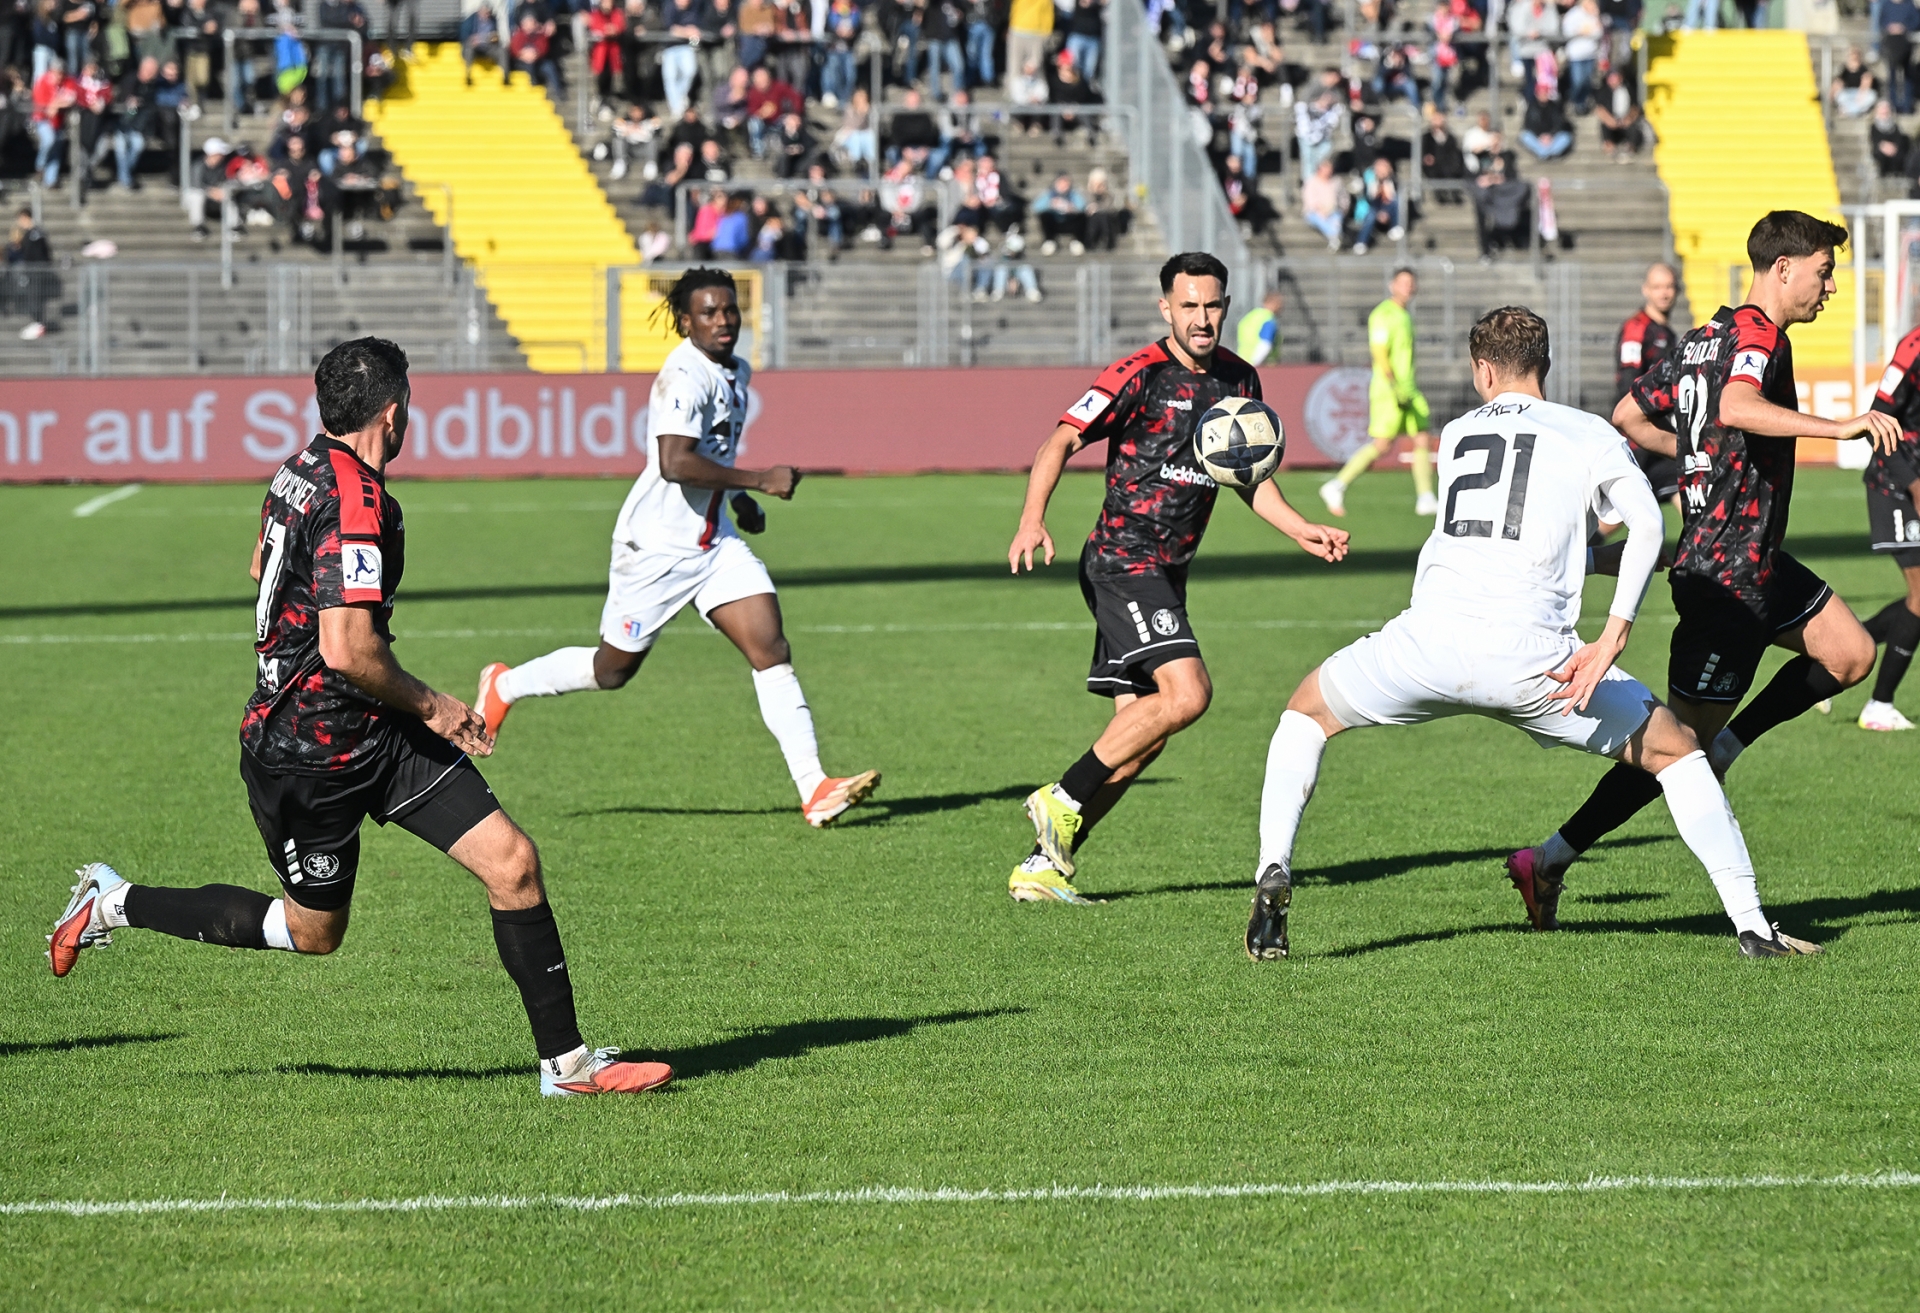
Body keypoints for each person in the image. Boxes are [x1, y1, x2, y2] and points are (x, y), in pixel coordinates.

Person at [45, 339, 673, 1099]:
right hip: (306, 754)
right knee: (315, 933)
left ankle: (567, 1067)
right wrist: (438, 706)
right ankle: (115, 900)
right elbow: (347, 651)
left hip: (373, 732)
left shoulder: (301, 466)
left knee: (512, 863)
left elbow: (260, 565)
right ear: (394, 410)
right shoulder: (357, 498)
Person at [1246, 307, 1827, 963]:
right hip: (1538, 663)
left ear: (1482, 370)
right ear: (1544, 364)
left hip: (1425, 646)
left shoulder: (1459, 432)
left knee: (1305, 712)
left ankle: (1275, 868)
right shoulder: (1587, 432)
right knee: (1680, 753)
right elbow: (1647, 527)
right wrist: (1612, 634)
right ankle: (1752, 926)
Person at [1507, 212, 1903, 917]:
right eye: (1823, 270)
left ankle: (1731, 739)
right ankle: (1550, 856)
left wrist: (1698, 450)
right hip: (1723, 575)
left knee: (1849, 652)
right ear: (1783, 269)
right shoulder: (1757, 336)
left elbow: (1630, 412)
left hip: (1759, 560)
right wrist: (1836, 427)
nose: (1831, 286)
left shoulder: (1703, 337)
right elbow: (1736, 403)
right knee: (1675, 752)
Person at [475, 270, 882, 829]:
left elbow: (714, 448)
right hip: (656, 549)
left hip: (713, 546)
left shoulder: (736, 369)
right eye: (709, 313)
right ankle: (504, 685)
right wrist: (760, 479)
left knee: (769, 644)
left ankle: (814, 788)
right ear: (685, 322)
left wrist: (738, 498)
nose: (723, 321)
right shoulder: (683, 376)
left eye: (729, 310)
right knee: (612, 670)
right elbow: (674, 462)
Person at [1002, 252, 1349, 903]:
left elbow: (1249, 479)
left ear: (1226, 305)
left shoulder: (1240, 380)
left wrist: (1302, 527)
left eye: (1212, 304)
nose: (1201, 317)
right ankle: (1062, 796)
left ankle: (1043, 864)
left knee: (1145, 732)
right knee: (1188, 694)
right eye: (1188, 305)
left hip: (1167, 571)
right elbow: (1060, 440)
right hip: (1122, 560)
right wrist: (1031, 518)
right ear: (1166, 307)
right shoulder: (1138, 374)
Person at [1321, 267, 1436, 518]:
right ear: (1392, 285)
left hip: (1408, 388)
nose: (1408, 287)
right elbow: (1380, 352)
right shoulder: (1383, 314)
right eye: (1403, 283)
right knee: (1383, 445)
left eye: (1411, 283)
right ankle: (1337, 485)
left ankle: (1426, 497)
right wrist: (1394, 385)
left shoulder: (1404, 315)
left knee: (1422, 438)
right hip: (1389, 389)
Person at [1855, 322, 1920, 730]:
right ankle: (1879, 705)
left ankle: (1843, 646)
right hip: (1894, 482)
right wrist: (1914, 483)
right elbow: (1876, 421)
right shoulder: (1913, 348)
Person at [1614, 261, 1682, 511]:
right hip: (1637, 436)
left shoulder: (1667, 333)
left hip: (1658, 432)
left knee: (1686, 491)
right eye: (1657, 287)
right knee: (1616, 511)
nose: (1664, 293)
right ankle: (1582, 548)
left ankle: (1703, 550)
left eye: (1669, 287)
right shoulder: (1637, 329)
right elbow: (1628, 385)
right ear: (1646, 290)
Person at [5, 206, 52, 339]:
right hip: (33, 270)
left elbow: (41, 253)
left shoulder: (36, 233)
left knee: (35, 296)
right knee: (32, 296)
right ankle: (37, 322)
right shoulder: (29, 234)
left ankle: (39, 323)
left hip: (37, 271)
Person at [1595, 69, 1643, 161]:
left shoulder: (1629, 89)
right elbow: (1600, 109)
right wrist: (1611, 121)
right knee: (1604, 126)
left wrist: (1628, 119)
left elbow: (1635, 107)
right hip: (1612, 120)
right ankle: (1609, 146)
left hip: (1626, 120)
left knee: (1634, 127)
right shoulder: (1603, 92)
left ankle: (1631, 147)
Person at [1300, 156, 1345, 248]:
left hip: (1334, 209)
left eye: (1330, 168)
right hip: (1315, 210)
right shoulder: (1311, 182)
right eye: (1326, 168)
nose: (1329, 171)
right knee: (1319, 218)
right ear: (1320, 169)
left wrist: (1342, 208)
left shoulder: (1337, 181)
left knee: (1337, 217)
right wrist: (1320, 210)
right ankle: (1334, 236)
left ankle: (1334, 238)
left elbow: (1343, 197)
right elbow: (1309, 200)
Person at [1883, 0, 1916, 115]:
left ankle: (1907, 106)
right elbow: (1882, 21)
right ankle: (1893, 106)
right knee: (1892, 78)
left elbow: (1916, 21)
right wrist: (1890, 27)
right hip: (1891, 46)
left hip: (1905, 46)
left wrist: (1903, 27)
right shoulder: (1886, 4)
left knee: (1907, 77)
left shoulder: (1909, 4)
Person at [1519, 93, 1573, 160]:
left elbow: (1559, 124)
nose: (1543, 96)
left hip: (1552, 138)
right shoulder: (1531, 107)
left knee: (1566, 137)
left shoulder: (1555, 107)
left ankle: (1545, 153)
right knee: (1524, 136)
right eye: (1541, 93)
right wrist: (1540, 136)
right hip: (1538, 138)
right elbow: (1528, 125)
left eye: (1545, 93)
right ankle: (1545, 153)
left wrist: (1551, 135)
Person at [1236, 287, 1282, 366]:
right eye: (1280, 304)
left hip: (1241, 359)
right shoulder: (1269, 320)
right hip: (1261, 366)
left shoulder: (1252, 315)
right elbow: (1265, 344)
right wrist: (1254, 364)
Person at [1832, 45, 1879, 118]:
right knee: (1841, 96)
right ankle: (1854, 111)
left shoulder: (1864, 69)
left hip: (1861, 93)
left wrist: (1861, 94)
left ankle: (1852, 111)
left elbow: (1867, 82)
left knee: (1871, 96)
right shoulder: (1844, 69)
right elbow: (1838, 82)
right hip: (1849, 93)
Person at [1872, 100, 1910, 179]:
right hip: (1881, 149)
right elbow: (1875, 139)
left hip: (1893, 148)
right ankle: (1883, 174)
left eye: (1886, 109)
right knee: (1880, 155)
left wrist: (1893, 147)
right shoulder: (1873, 126)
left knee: (1900, 153)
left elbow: (1898, 138)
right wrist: (1884, 146)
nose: (1884, 112)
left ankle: (1897, 173)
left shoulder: (1894, 125)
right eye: (1882, 110)